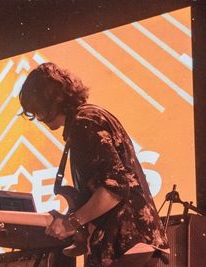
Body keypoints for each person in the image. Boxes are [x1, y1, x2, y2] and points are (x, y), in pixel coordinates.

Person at [19, 62, 169, 267]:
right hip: (133, 248)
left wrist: (71, 223)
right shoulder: (89, 118)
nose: (38, 117)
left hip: (127, 248)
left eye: (38, 108)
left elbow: (114, 186)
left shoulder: (84, 122)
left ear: (53, 98)